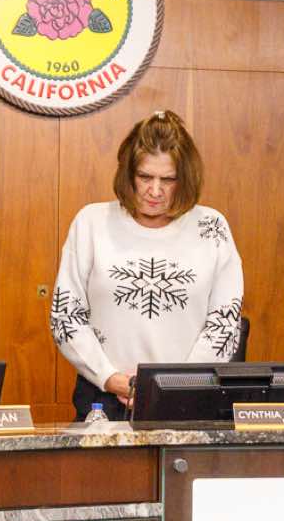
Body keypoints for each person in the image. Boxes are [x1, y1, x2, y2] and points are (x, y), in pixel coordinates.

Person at [51, 111, 244, 418]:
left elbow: (224, 323)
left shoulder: (211, 227)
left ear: (186, 178)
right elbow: (66, 317)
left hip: (188, 400)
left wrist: (175, 387)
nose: (155, 191)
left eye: (168, 179)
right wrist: (111, 379)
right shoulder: (91, 222)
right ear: (128, 174)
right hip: (104, 400)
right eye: (145, 177)